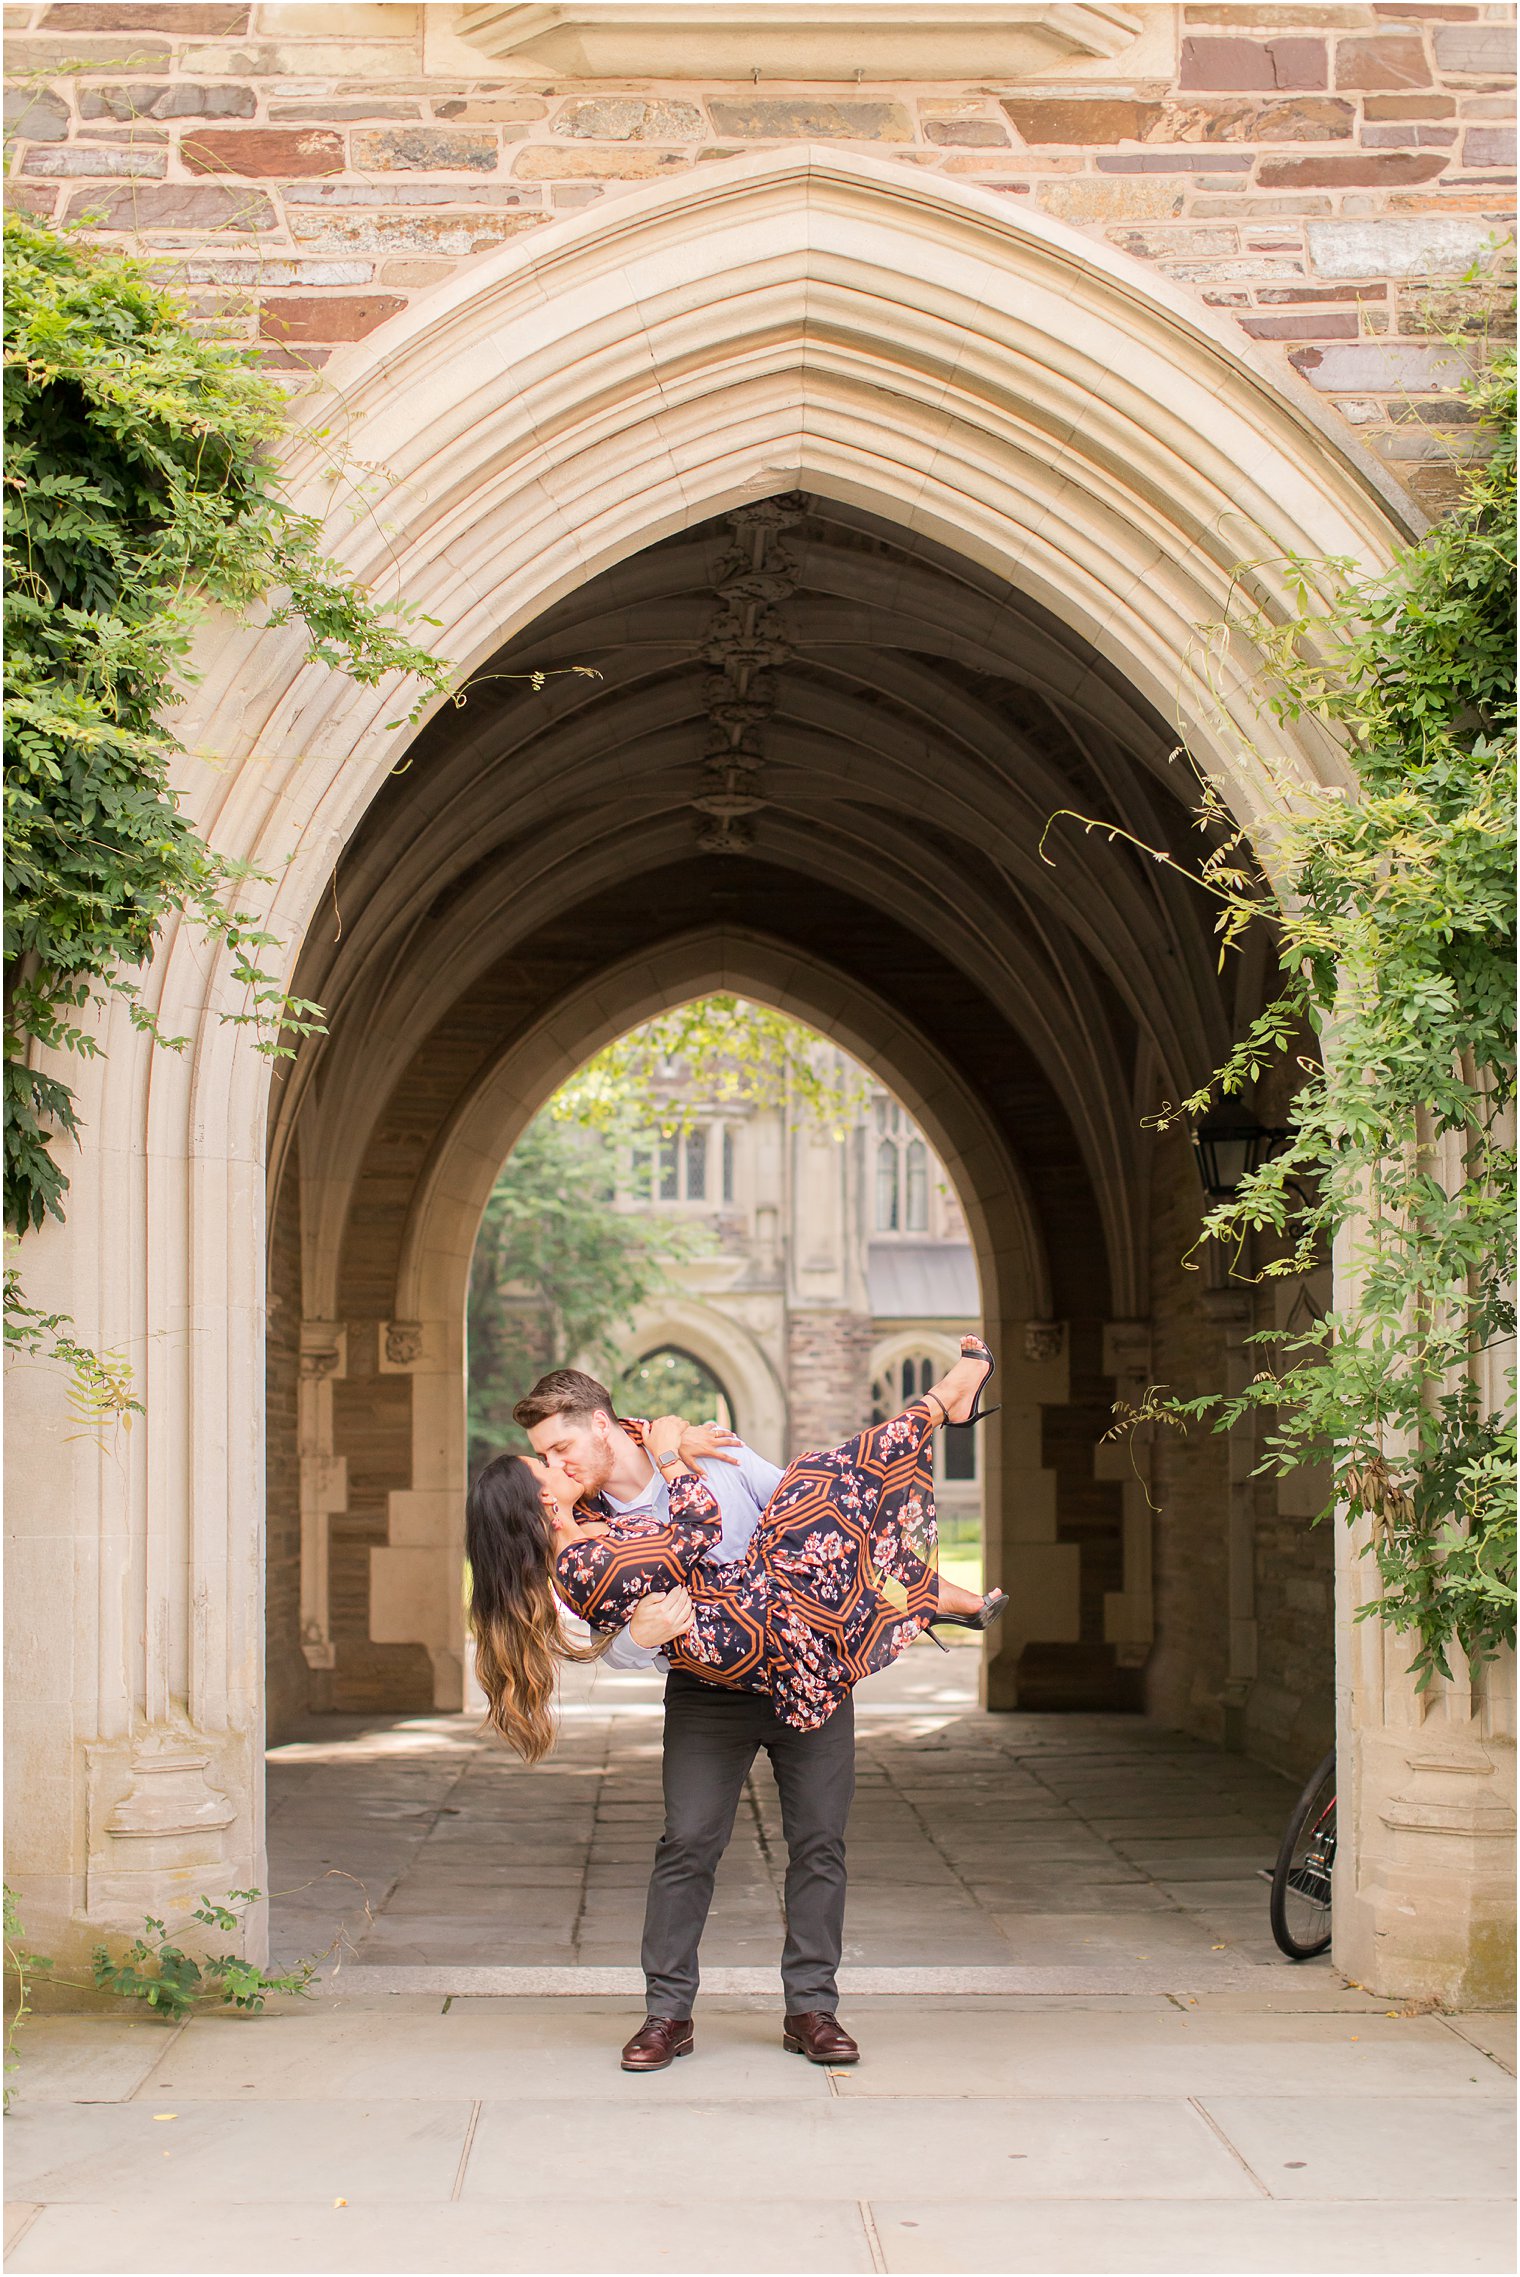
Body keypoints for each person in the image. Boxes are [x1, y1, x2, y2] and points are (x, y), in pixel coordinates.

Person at [465, 1339, 1003, 2072]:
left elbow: (815, 1527)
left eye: (560, 1445)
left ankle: (813, 2009)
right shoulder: (569, 1523)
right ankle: (666, 2015)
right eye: (544, 1457)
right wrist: (640, 1638)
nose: (557, 1464)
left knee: (819, 1840)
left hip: (806, 1674)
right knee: (686, 1841)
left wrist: (681, 1452)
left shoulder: (709, 1454)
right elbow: (601, 1639)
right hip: (709, 1690)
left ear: (603, 1423)